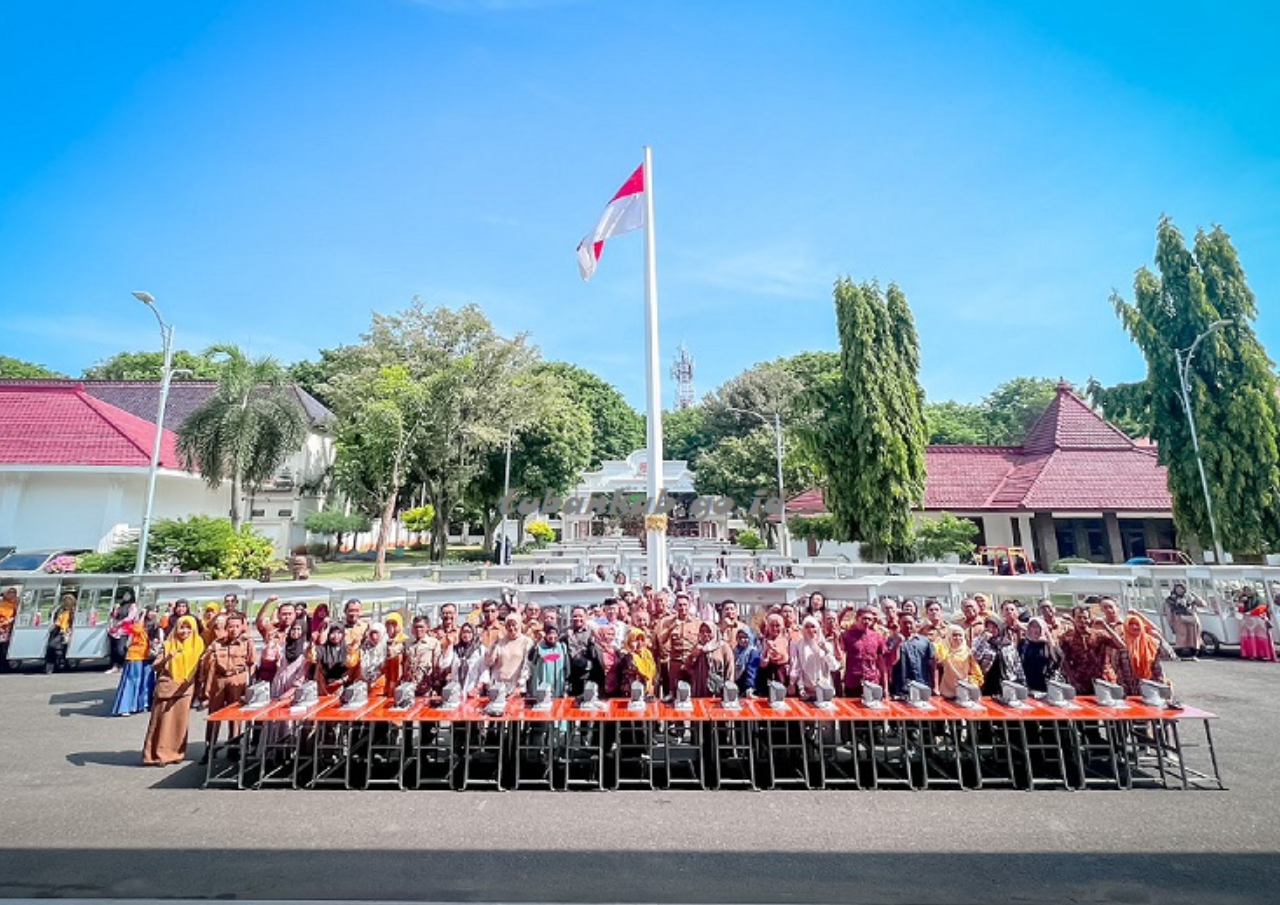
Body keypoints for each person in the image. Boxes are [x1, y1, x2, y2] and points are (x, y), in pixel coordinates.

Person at [142, 615, 204, 766]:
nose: (185, 631)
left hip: (185, 689)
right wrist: (167, 658)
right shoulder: (169, 644)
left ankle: (175, 753)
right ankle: (156, 755)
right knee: (161, 722)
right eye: (182, 627)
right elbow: (155, 666)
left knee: (179, 723)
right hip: (167, 687)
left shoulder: (198, 645)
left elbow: (203, 669)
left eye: (189, 627)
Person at [199, 613, 256, 760]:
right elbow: (205, 662)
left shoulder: (247, 642)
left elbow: (252, 663)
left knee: (235, 715)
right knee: (214, 715)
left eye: (237, 626)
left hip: (238, 678)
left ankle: (234, 747)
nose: (234, 629)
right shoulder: (217, 643)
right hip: (220, 680)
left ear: (242, 627)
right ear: (226, 628)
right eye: (230, 626)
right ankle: (210, 748)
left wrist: (250, 685)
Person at [1059, 605, 1125, 695]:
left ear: (1089, 619)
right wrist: (1072, 680)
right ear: (1073, 619)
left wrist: (1105, 626)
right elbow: (1064, 662)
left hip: (1102, 679)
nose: (1082, 621)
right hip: (1081, 682)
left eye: (1085, 618)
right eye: (1079, 618)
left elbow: (1121, 645)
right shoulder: (1068, 637)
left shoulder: (1098, 635)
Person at [656, 592, 701, 697]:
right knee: (674, 693)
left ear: (689, 606)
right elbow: (661, 640)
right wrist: (671, 627)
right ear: (675, 606)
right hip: (675, 663)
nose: (682, 607)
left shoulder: (697, 623)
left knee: (692, 693)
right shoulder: (667, 621)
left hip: (692, 663)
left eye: (685, 605)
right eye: (680, 605)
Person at [111, 615, 156, 716]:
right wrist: (142, 615)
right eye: (152, 611)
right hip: (135, 657)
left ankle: (142, 704)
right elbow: (136, 629)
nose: (154, 614)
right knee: (132, 681)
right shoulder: (136, 625)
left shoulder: (153, 626)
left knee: (146, 683)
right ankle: (125, 707)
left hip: (147, 657)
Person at [840, 608, 889, 697]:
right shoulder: (847, 635)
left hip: (872, 680)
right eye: (864, 618)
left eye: (869, 619)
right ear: (857, 618)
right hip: (853, 681)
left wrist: (885, 687)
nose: (866, 621)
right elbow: (840, 655)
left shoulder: (877, 637)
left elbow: (881, 663)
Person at [789, 616, 839, 699]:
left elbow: (834, 667)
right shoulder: (799, 645)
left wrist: (826, 651)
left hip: (824, 689)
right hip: (807, 691)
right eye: (807, 627)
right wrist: (801, 688)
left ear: (818, 628)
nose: (810, 630)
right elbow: (798, 668)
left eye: (813, 626)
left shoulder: (827, 645)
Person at [889, 613, 936, 698]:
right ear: (899, 624)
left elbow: (932, 665)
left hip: (922, 686)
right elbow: (891, 662)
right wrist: (898, 643)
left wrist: (935, 686)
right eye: (904, 623)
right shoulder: (892, 640)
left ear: (915, 623)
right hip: (901, 689)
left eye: (910, 622)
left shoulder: (925, 641)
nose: (908, 625)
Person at [686, 622, 734, 697]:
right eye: (702, 631)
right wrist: (693, 656)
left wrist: (728, 688)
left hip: (718, 689)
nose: (705, 634)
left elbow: (730, 669)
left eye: (708, 631)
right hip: (700, 689)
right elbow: (688, 667)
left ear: (714, 632)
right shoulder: (697, 646)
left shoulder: (723, 647)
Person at [487, 615, 533, 693]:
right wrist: (494, 645)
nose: (511, 628)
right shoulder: (500, 642)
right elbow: (489, 662)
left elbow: (527, 666)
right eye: (508, 625)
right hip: (498, 685)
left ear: (519, 624)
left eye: (514, 625)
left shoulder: (527, 642)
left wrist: (520, 685)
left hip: (516, 687)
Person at [937, 625, 983, 700]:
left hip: (965, 694)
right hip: (947, 693)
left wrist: (969, 681)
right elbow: (938, 658)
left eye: (960, 635)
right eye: (954, 635)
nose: (957, 638)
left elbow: (978, 676)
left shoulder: (968, 653)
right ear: (949, 637)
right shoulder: (944, 651)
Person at [1123, 614, 1165, 692]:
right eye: (1131, 624)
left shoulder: (1151, 641)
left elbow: (1168, 656)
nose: (1134, 627)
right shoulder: (1120, 642)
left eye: (1137, 624)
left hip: (1150, 682)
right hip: (1127, 683)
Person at [402, 616, 443, 696]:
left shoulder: (433, 643)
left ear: (427, 627)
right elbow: (405, 665)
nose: (418, 630)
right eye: (416, 627)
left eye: (421, 627)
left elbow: (436, 665)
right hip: (409, 687)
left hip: (426, 687)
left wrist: (436, 685)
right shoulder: (409, 644)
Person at [443, 622, 487, 697]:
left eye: (469, 632)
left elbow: (484, 671)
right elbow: (444, 664)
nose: (466, 635)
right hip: (456, 691)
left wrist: (477, 689)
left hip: (472, 691)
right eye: (464, 632)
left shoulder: (480, 649)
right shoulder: (455, 649)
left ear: (474, 633)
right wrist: (449, 644)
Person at [270, 621, 310, 703]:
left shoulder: (306, 649)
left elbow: (302, 673)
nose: (296, 632)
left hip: (294, 689)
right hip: (278, 685)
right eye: (293, 629)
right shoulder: (282, 646)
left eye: (299, 629)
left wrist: (288, 693)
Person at [1018, 617, 1061, 693]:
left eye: (1037, 627)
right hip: (1027, 687)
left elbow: (1057, 659)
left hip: (1045, 687)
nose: (1033, 630)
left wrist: (1049, 637)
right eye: (1031, 626)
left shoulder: (1047, 645)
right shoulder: (1023, 644)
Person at [312, 623, 355, 696]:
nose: (336, 636)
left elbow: (352, 668)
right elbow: (312, 657)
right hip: (325, 687)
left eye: (339, 633)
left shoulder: (348, 650)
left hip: (343, 687)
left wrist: (342, 681)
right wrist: (311, 643)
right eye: (333, 633)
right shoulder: (322, 649)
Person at [527, 622, 568, 697]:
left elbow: (567, 668)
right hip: (541, 690)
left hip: (558, 690)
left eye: (554, 633)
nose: (552, 636)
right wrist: (536, 642)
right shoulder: (539, 647)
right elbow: (530, 659)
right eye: (549, 633)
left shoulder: (562, 647)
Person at [1164, 583, 1203, 660]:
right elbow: (1168, 612)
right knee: (1182, 637)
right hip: (1179, 620)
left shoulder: (1189, 597)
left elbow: (1203, 604)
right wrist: (1171, 623)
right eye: (1177, 588)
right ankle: (1180, 654)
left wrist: (1196, 596)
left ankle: (1194, 654)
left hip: (1192, 620)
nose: (1179, 590)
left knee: (1193, 637)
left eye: (1181, 588)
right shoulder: (1170, 600)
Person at [755, 613, 791, 695]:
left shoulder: (787, 641)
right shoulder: (762, 641)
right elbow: (762, 664)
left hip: (782, 676)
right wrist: (766, 650)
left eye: (777, 625)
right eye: (772, 625)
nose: (775, 628)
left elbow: (789, 659)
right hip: (766, 676)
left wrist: (780, 655)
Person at [105, 590, 137, 674]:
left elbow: (131, 617)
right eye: (125, 594)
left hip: (125, 630)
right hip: (115, 630)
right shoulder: (120, 604)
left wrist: (121, 622)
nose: (126, 596)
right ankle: (115, 666)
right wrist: (115, 609)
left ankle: (123, 665)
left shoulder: (132, 606)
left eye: (128, 594)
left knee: (121, 649)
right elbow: (113, 616)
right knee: (114, 649)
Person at [354, 622, 390, 695]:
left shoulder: (387, 646)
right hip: (364, 687)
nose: (374, 636)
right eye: (372, 633)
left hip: (381, 687)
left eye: (377, 633)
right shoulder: (364, 647)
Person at [619, 628, 657, 696]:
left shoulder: (647, 654)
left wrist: (652, 685)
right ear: (629, 641)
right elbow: (633, 670)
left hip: (647, 690)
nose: (640, 643)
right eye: (636, 640)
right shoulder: (626, 655)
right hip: (632, 692)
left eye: (642, 640)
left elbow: (653, 671)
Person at [45, 593, 76, 674]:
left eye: (69, 600)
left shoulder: (73, 611)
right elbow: (52, 618)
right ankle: (51, 664)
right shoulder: (59, 610)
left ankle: (59, 662)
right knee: (51, 646)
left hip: (67, 630)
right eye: (66, 600)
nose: (67, 602)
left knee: (53, 645)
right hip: (57, 629)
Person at [0, 586, 16, 674]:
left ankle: (5, 664)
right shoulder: (2, 604)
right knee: (3, 648)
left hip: (9, 628)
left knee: (6, 648)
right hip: (3, 628)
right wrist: (6, 622)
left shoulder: (14, 603)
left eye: (14, 592)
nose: (13, 594)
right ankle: (3, 666)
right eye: (10, 592)